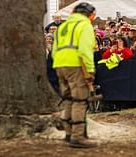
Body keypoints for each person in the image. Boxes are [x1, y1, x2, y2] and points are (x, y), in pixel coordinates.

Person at [52, 2, 97, 148]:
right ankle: (78, 136)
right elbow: (85, 50)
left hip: (59, 65)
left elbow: (54, 49)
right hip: (76, 65)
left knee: (68, 99)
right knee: (80, 100)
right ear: (88, 14)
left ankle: (68, 132)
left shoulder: (62, 26)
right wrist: (90, 70)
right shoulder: (84, 25)